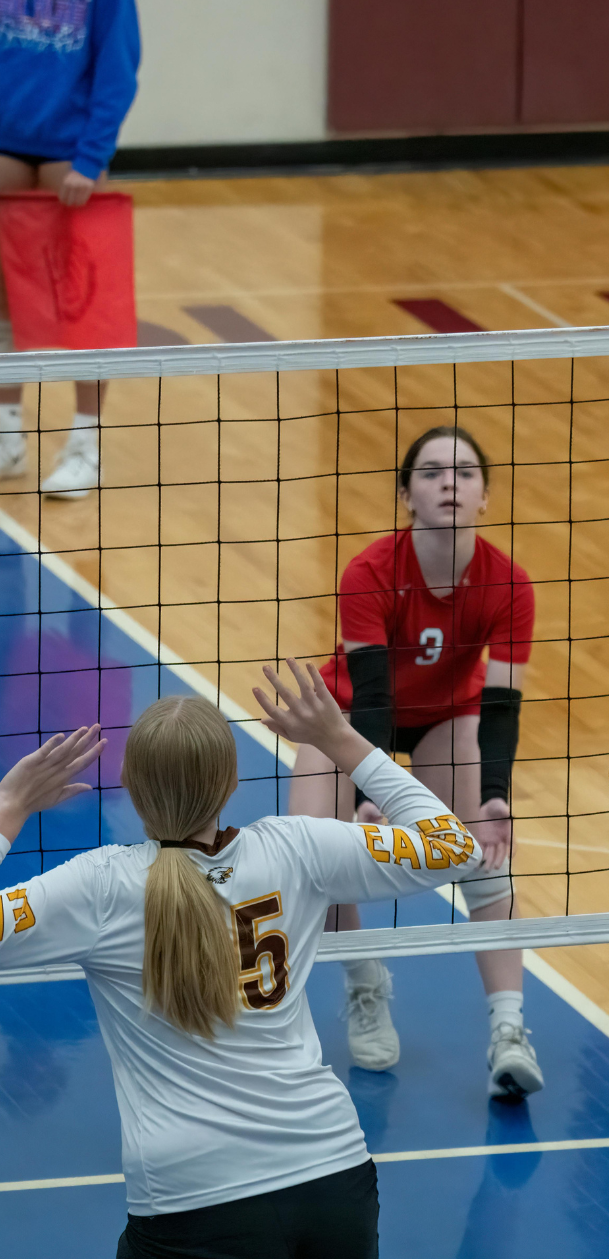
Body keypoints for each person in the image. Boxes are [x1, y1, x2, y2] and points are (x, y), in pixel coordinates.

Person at [0, 658, 486, 1257]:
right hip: (331, 1173)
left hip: (192, 1200)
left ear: (129, 785)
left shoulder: (99, 887)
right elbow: (455, 849)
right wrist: (337, 738)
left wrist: (9, 806)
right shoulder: (296, 848)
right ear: (232, 785)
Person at [289, 424, 541, 1100]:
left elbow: (502, 706)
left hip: (443, 719)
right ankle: (365, 979)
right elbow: (369, 697)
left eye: (463, 472)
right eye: (431, 472)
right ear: (406, 494)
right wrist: (366, 795)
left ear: (485, 494)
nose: (449, 483)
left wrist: (494, 798)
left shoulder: (509, 584)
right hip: (341, 718)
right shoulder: (370, 571)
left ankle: (509, 1031)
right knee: (317, 849)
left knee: (486, 854)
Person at [0, 0, 140, 498]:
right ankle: (7, 429)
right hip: (5, 144)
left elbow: (118, 63)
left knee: (85, 299)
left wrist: (92, 155)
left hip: (69, 154)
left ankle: (85, 443)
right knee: (2, 292)